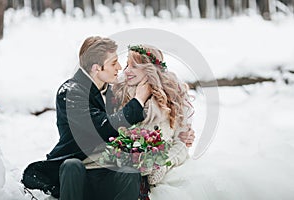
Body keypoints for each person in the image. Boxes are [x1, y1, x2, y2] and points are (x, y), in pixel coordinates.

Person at [22, 37, 194, 200]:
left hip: (112, 172)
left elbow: (172, 136)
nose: (120, 68)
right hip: (82, 168)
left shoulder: (114, 91)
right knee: (71, 166)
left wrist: (177, 143)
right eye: (115, 63)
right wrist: (139, 100)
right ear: (97, 68)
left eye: (128, 65)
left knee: (130, 173)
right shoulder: (71, 92)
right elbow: (105, 127)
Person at [112, 44, 197, 200]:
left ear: (149, 69)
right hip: (129, 174)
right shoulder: (119, 93)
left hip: (168, 172)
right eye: (126, 65)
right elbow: (112, 134)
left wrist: (162, 164)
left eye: (134, 66)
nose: (126, 71)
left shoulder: (174, 95)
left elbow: (182, 142)